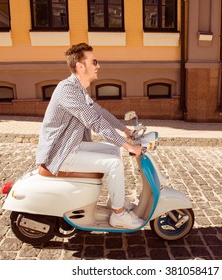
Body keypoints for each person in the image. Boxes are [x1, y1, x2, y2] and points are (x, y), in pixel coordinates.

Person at [36, 43, 144, 229]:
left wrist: (124, 130)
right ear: (80, 66)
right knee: (114, 163)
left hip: (70, 146)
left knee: (112, 150)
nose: (98, 65)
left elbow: (99, 112)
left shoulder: (78, 89)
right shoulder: (67, 90)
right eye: (94, 61)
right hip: (60, 153)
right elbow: (94, 121)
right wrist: (128, 146)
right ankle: (118, 215)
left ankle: (115, 202)